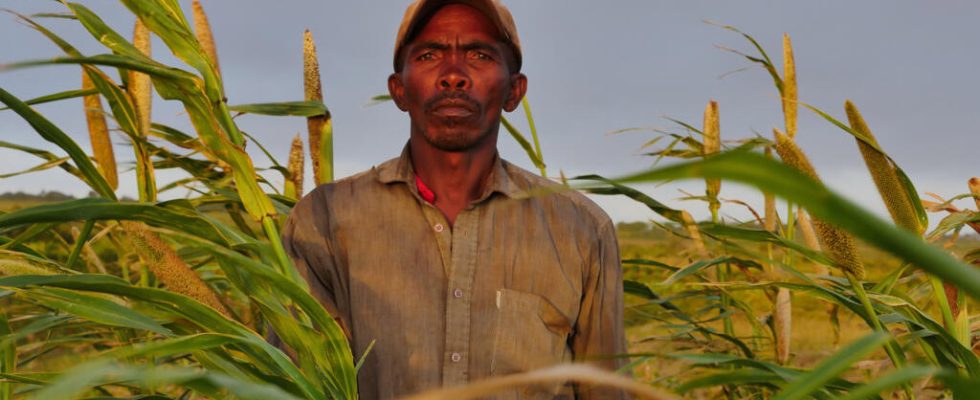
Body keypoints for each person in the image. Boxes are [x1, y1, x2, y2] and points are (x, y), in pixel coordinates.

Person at [280, 0, 629, 398]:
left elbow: (607, 390)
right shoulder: (323, 221)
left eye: (479, 54)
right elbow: (292, 383)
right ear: (399, 90)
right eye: (429, 55)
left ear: (515, 91)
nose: (453, 76)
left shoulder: (580, 229)